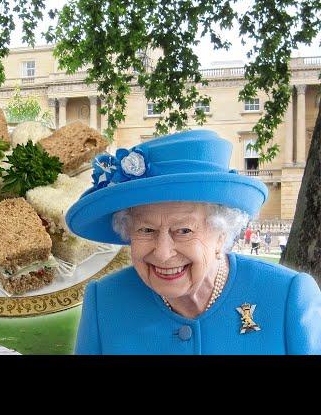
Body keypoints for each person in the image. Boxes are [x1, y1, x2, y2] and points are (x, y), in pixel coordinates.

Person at [68, 130, 321, 354]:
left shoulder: (287, 297)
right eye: (146, 229)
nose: (163, 253)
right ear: (127, 231)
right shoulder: (106, 302)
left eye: (183, 230)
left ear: (222, 234)